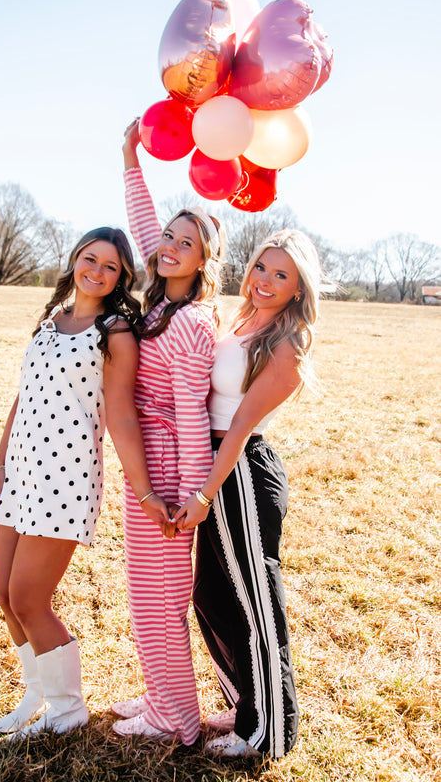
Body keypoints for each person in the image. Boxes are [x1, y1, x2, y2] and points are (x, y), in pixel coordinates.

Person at [0, 227, 169, 737]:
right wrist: (1, 466)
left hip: (65, 480)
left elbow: (121, 415)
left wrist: (144, 490)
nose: (96, 270)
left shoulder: (113, 330)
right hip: (22, 473)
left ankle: (68, 710)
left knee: (29, 598)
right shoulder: (51, 319)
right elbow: (21, 399)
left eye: (110, 266)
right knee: (4, 594)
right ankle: (37, 695)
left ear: (122, 277)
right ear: (75, 259)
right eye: (90, 259)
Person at [175, 229, 323, 758]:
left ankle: (267, 732)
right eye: (263, 266)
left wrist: (204, 496)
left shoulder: (287, 343)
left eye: (281, 275)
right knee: (211, 596)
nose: (265, 280)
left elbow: (239, 426)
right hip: (214, 464)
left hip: (240, 474)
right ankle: (244, 704)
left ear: (298, 288)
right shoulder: (237, 319)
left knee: (256, 605)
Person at [110, 120, 225, 745]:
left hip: (169, 473)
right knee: (146, 592)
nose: (171, 246)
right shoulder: (162, 298)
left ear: (206, 259)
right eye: (169, 239)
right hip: (146, 463)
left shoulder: (191, 323)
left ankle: (176, 718)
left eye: (187, 243)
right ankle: (162, 695)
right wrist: (131, 160)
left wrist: (185, 500)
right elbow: (142, 223)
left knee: (159, 602)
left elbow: (189, 417)